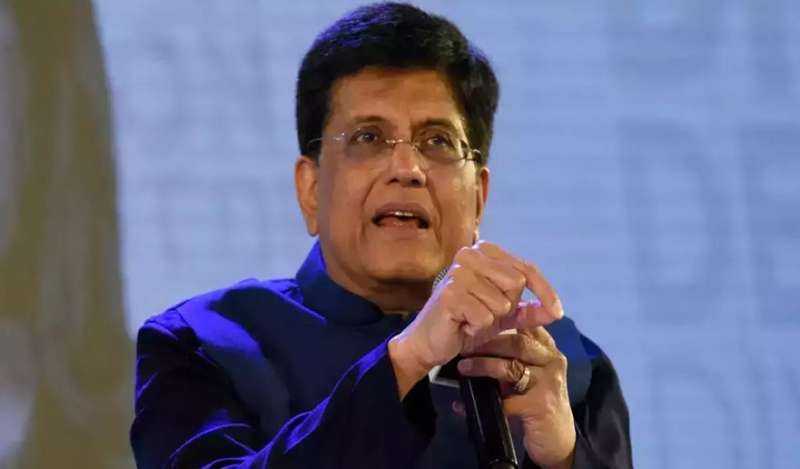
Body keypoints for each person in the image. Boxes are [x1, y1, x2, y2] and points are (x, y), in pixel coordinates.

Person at [130, 3, 632, 468]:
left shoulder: (564, 366)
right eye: (368, 137)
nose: (407, 168)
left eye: (438, 141)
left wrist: (564, 458)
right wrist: (406, 362)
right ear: (310, 190)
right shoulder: (203, 343)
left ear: (479, 198)